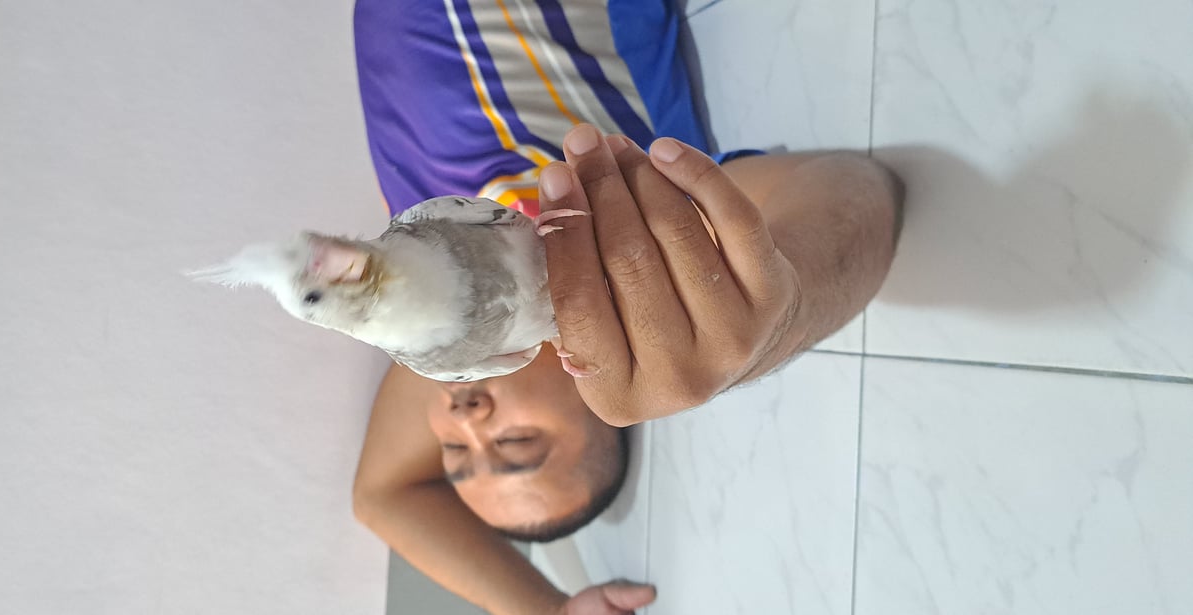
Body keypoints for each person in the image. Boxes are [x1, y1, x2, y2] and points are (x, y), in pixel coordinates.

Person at [348, 1, 902, 614]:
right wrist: (773, 331)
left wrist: (547, 611)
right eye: (517, 442)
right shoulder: (640, 239)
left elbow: (383, 497)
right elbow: (859, 193)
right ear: (596, 390)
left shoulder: (446, 338)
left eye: (454, 452)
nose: (470, 421)